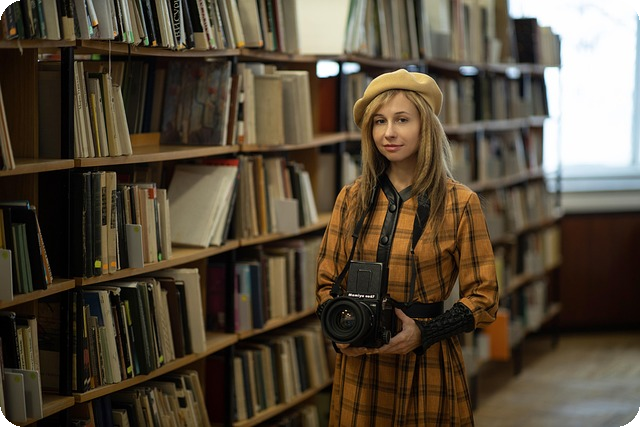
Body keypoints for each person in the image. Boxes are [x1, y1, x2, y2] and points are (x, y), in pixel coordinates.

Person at [315, 69, 499, 426]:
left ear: (425, 127)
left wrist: (425, 333)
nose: (389, 132)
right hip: (361, 368)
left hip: (427, 364)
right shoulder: (351, 198)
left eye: (402, 119)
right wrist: (341, 334)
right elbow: (325, 282)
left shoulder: (460, 202)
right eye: (379, 121)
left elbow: (485, 296)